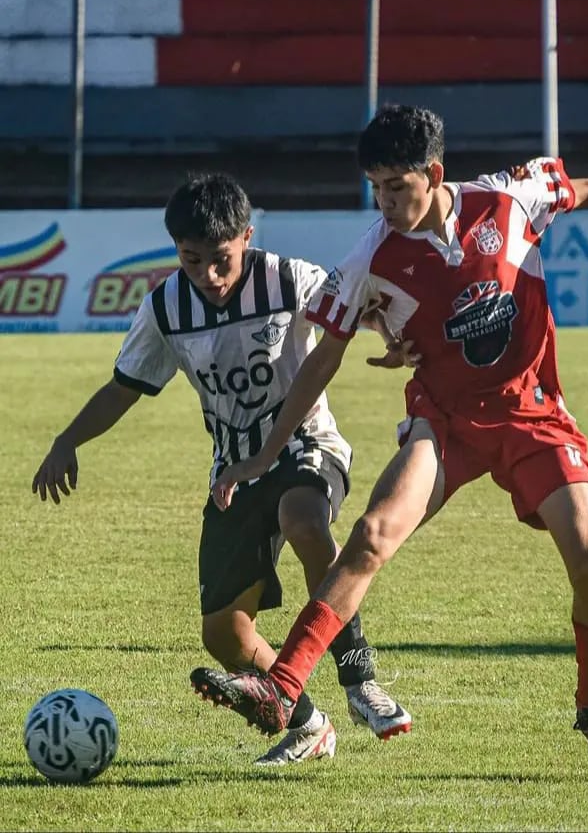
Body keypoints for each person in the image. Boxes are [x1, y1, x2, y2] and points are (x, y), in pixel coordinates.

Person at [189, 105, 588, 776]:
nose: (384, 202)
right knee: (373, 534)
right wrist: (267, 453)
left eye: (396, 187)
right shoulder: (371, 256)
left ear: (434, 174)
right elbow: (323, 356)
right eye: (375, 188)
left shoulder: (507, 199)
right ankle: (283, 684)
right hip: (443, 421)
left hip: (531, 412)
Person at [31, 172, 412, 767]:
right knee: (224, 637)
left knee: (304, 515)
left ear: (247, 236)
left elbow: (362, 305)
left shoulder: (289, 278)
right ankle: (307, 723)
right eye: (192, 260)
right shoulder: (165, 307)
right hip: (234, 472)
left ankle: (358, 673)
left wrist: (393, 333)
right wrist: (67, 439)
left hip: (309, 445)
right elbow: (124, 387)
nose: (208, 275)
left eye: (221, 259)